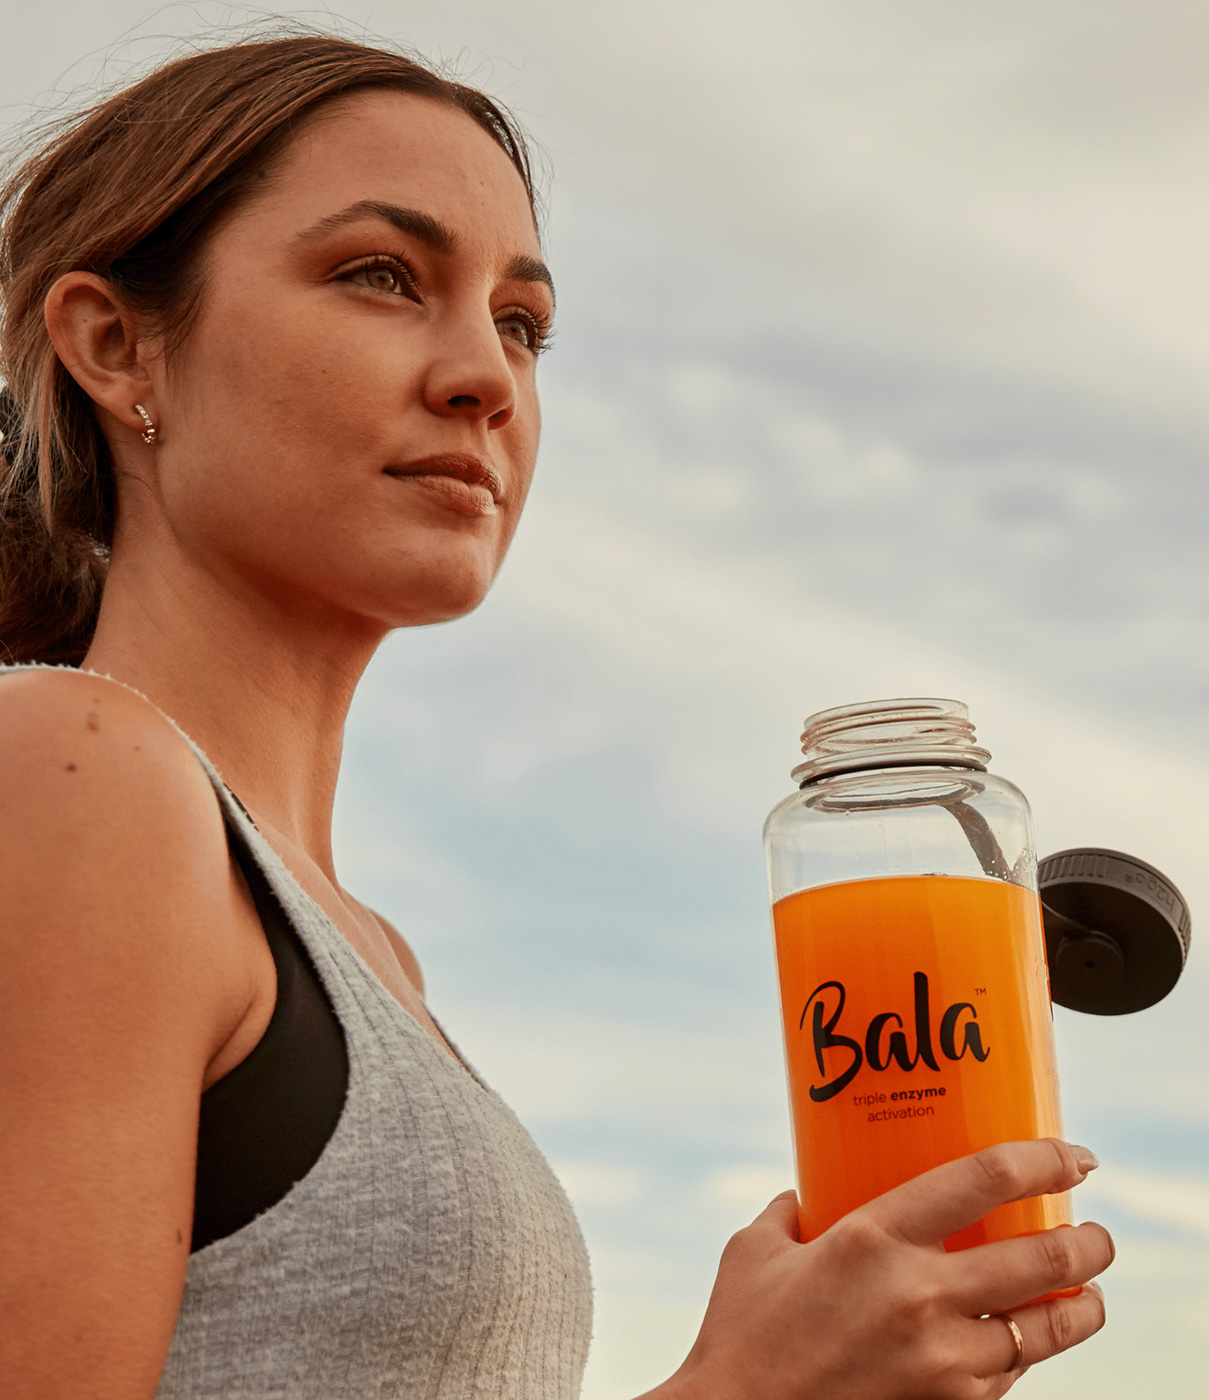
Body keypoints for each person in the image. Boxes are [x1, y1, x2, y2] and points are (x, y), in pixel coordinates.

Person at [0, 32, 1113, 1400]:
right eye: (380, 277)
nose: (486, 377)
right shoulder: (69, 770)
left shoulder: (371, 958)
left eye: (522, 322)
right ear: (116, 349)